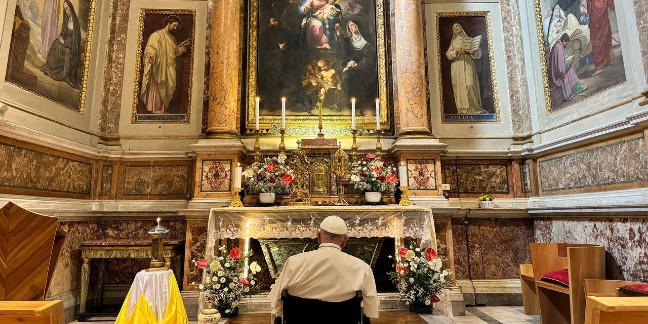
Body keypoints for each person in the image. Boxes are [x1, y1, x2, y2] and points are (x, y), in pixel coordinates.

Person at [269, 215, 379, 323]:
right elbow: (369, 309)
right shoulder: (362, 268)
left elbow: (276, 300)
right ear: (345, 239)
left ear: (318, 236)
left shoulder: (293, 262)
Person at [140, 15, 189, 114]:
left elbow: (174, 53)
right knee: (159, 85)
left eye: (177, 26)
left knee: (169, 86)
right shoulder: (156, 35)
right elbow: (151, 48)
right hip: (159, 66)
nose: (175, 28)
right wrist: (151, 57)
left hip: (170, 66)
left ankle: (163, 108)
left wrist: (181, 48)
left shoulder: (173, 38)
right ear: (169, 23)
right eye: (174, 25)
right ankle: (157, 108)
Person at [445, 23, 487, 115]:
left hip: (468, 64)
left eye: (457, 26)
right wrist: (456, 52)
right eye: (454, 27)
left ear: (461, 27)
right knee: (460, 87)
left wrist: (472, 51)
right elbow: (448, 54)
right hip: (457, 66)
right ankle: (463, 110)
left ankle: (474, 108)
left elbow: (478, 53)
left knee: (470, 84)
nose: (456, 28)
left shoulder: (469, 40)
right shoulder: (454, 42)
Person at [336, 21, 377, 113]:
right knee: (345, 77)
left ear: (358, 27)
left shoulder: (366, 41)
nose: (351, 28)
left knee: (361, 79)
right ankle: (349, 103)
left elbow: (370, 58)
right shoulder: (349, 39)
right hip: (352, 66)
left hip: (365, 68)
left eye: (353, 25)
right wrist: (339, 33)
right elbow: (343, 50)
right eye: (349, 26)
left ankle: (362, 104)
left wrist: (358, 66)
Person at [40, 0, 81, 89]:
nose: (66, 11)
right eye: (65, 9)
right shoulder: (66, 19)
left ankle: (64, 75)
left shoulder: (75, 22)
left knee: (65, 51)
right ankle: (52, 68)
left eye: (67, 9)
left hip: (71, 48)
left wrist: (65, 42)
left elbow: (75, 41)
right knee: (56, 43)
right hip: (66, 43)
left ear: (71, 8)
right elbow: (63, 32)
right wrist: (61, 37)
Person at [549, 33, 588, 106]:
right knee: (569, 69)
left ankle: (577, 86)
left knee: (569, 67)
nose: (566, 45)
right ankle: (576, 87)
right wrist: (568, 62)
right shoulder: (559, 48)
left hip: (556, 71)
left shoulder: (557, 45)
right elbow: (560, 69)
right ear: (563, 40)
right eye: (566, 43)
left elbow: (559, 61)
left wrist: (566, 60)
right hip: (556, 75)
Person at [588, 0, 615, 73]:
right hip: (599, 15)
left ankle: (600, 65)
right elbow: (612, 6)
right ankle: (608, 59)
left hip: (596, 16)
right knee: (603, 35)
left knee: (599, 38)